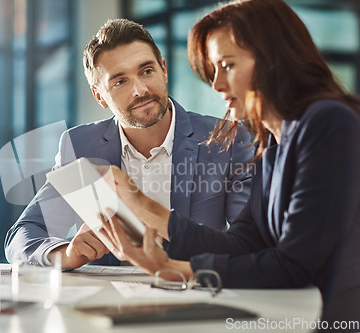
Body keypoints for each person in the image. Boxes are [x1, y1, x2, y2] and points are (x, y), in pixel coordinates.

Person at [98, 0, 360, 327]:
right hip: (288, 316)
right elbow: (244, 244)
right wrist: (139, 204)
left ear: (273, 60)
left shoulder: (328, 122)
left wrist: (176, 269)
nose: (218, 85)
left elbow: (293, 264)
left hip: (331, 320)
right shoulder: (272, 138)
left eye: (228, 65)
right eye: (214, 69)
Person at [4, 18, 254, 270]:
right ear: (100, 96)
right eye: (120, 81)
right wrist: (64, 253)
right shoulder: (80, 146)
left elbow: (249, 243)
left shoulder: (226, 138)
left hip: (196, 290)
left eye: (146, 71)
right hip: (112, 300)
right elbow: (23, 234)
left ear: (164, 70)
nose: (140, 90)